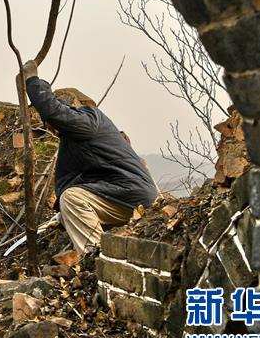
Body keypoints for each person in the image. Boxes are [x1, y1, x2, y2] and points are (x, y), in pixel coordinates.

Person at [22, 60, 158, 254]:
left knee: (72, 199)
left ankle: (93, 259)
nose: (50, 128)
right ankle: (104, 255)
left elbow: (55, 112)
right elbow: (90, 180)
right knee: (71, 205)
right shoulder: (85, 139)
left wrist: (32, 81)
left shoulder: (89, 120)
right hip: (125, 196)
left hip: (129, 196)